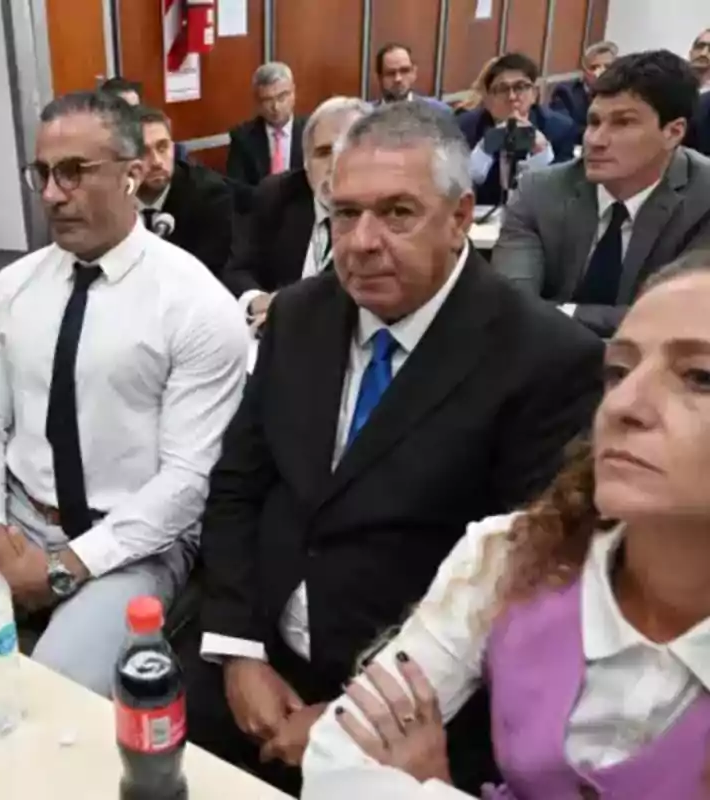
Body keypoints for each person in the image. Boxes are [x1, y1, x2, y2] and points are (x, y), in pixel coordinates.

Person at [184, 101, 604, 796]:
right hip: (257, 657)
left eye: (398, 213)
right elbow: (237, 485)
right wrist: (236, 651)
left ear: (462, 217)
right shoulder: (299, 314)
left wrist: (353, 718)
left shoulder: (546, 360)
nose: (362, 241)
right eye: (346, 214)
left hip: (416, 708)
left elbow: (523, 584)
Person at [302, 249, 710, 800]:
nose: (623, 404)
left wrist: (429, 790)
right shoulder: (512, 554)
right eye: (619, 370)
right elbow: (339, 754)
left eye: (699, 378)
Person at [0, 91, 250, 698]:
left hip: (133, 542)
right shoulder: (14, 287)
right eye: (43, 174)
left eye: (74, 173)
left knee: (55, 692)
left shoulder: (197, 305)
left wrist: (67, 566)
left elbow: (188, 480)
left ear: (134, 175)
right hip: (14, 518)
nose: (53, 194)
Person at [493, 51, 710, 338]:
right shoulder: (539, 190)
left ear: (673, 132)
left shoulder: (704, 197)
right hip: (548, 361)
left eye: (623, 123)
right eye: (594, 121)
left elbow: (684, 315)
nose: (596, 140)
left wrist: (564, 312)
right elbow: (512, 306)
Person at [224, 97, 371, 328]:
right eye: (323, 152)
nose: (334, 165)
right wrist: (258, 300)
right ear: (306, 162)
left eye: (347, 151)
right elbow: (238, 268)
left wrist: (289, 309)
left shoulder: (384, 218)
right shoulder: (276, 194)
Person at [457, 53, 579, 207]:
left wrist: (541, 152)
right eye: (502, 89)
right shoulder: (465, 127)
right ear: (487, 100)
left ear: (534, 94)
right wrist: (484, 149)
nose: (512, 97)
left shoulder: (559, 129)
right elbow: (456, 186)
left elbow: (563, 192)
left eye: (520, 87)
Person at [135, 106, 233, 279]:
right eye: (144, 152)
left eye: (162, 147)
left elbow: (206, 276)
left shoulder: (208, 195)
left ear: (173, 148)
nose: (157, 161)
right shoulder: (112, 196)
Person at [227, 62, 307, 187]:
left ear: (293, 93)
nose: (275, 107)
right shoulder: (242, 138)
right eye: (267, 100)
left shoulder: (311, 132)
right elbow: (237, 189)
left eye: (282, 97)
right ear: (257, 102)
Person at [100, 77, 190, 162]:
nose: (135, 115)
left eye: (136, 108)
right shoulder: (100, 154)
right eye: (126, 110)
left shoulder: (173, 151)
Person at [549, 40, 619, 138]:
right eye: (594, 67)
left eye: (607, 67)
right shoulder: (566, 92)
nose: (601, 72)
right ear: (584, 71)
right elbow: (563, 128)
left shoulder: (621, 93)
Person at [373, 43, 451, 112]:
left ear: (414, 73)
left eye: (404, 71)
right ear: (380, 77)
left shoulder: (438, 111)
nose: (398, 79)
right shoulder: (366, 115)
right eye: (390, 73)